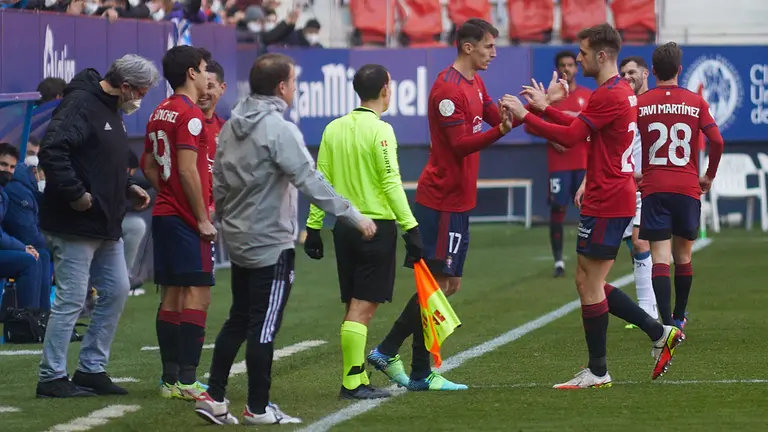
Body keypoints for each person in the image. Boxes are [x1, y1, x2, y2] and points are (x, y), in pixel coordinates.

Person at [193, 53, 376, 425]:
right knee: (262, 326)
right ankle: (257, 408)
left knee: (238, 318)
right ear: (281, 87)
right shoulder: (279, 129)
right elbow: (309, 179)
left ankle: (214, 396)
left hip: (239, 238)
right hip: (270, 243)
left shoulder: (230, 126)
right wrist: (354, 215)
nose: (294, 88)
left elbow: (220, 182)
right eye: (292, 82)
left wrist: (223, 219)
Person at [503, 23, 684, 388]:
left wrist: (528, 117)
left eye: (583, 53)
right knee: (589, 280)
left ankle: (600, 370)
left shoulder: (609, 94)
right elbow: (585, 126)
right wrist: (544, 108)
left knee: (590, 284)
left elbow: (573, 136)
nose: (578, 59)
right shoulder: (619, 90)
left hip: (607, 197)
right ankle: (656, 333)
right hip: (609, 194)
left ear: (601, 55)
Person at [367, 18, 517, 392]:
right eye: (488, 46)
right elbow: (460, 144)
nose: (494, 53)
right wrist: (498, 131)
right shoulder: (446, 91)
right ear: (467, 47)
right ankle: (406, 362)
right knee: (438, 286)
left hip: (460, 200)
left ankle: (402, 361)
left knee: (448, 286)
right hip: (442, 200)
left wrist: (522, 111)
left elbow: (499, 119)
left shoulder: (474, 82)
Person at [36, 54, 155, 398]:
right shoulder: (81, 104)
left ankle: (90, 368)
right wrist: (76, 195)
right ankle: (51, 376)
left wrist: (126, 189)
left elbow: (99, 163)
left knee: (117, 290)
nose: (141, 99)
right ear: (126, 85)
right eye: (141, 92)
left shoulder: (109, 109)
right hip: (75, 222)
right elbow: (53, 150)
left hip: (104, 222)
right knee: (71, 299)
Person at [303, 64, 423, 400]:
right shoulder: (381, 130)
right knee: (363, 308)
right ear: (386, 88)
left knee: (354, 306)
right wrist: (410, 226)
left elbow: (319, 181)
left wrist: (314, 227)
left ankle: (353, 378)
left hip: (344, 228)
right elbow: (390, 182)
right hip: (375, 228)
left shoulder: (333, 128)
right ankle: (353, 383)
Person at [140, 45, 214, 401]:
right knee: (198, 295)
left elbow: (150, 167)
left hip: (164, 215)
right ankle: (187, 380)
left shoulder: (158, 111)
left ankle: (170, 380)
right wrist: (201, 217)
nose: (205, 75)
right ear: (191, 73)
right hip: (186, 220)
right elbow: (185, 168)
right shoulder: (190, 114)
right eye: (202, 69)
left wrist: (166, 192)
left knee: (170, 295)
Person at [636, 42, 724, 330]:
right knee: (683, 256)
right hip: (687, 188)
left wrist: (633, 174)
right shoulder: (695, 102)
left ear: (653, 70)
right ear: (680, 69)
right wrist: (708, 176)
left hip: (654, 187)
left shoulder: (642, 102)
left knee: (660, 258)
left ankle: (665, 327)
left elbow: (624, 140)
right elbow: (717, 142)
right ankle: (679, 316)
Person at [525, 51, 592, 278]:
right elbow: (529, 124)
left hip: (583, 161)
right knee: (558, 210)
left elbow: (594, 127)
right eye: (563, 65)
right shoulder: (550, 97)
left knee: (589, 209)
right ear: (557, 68)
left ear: (576, 68)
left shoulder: (588, 96)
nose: (567, 69)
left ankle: (591, 255)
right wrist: (553, 138)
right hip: (559, 164)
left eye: (571, 64)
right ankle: (558, 261)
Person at [2, 148, 51, 310]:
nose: (7, 170)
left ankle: (38, 321)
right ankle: (27, 324)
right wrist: (22, 247)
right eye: (3, 164)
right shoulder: (14, 190)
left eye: (11, 167)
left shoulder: (5, 190)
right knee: (31, 260)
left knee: (39, 255)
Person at [196, 59, 227, 220]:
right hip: (188, 214)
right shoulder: (185, 124)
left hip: (218, 215)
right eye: (201, 86)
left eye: (210, 87)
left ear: (222, 88)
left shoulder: (226, 130)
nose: (203, 93)